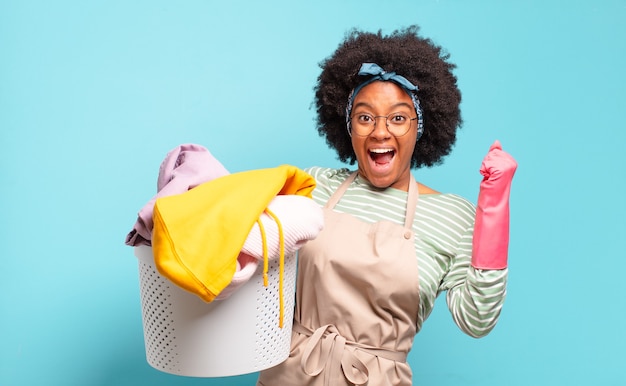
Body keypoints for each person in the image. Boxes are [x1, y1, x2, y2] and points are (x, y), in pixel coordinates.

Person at [257, 25, 517, 385]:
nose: (380, 132)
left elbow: (476, 321)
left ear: (420, 127)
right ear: (348, 126)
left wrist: (494, 208)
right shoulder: (313, 185)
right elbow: (249, 259)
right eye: (365, 117)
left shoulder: (452, 215)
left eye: (398, 117)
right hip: (289, 374)